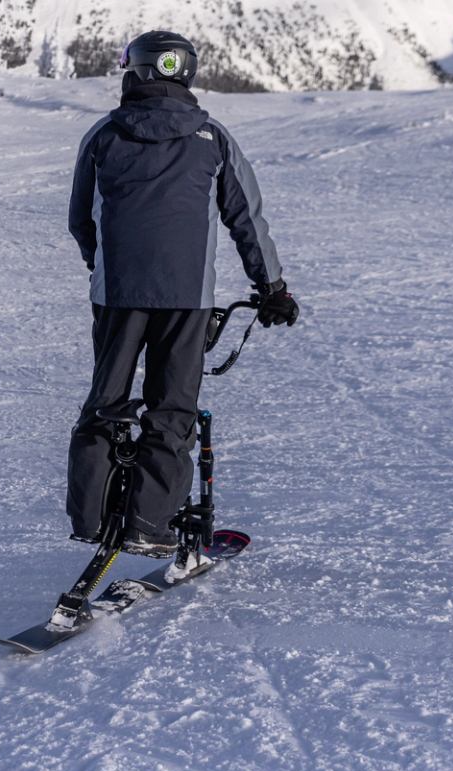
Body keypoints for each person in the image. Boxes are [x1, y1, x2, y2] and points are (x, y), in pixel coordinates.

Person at [65, 30, 298, 555]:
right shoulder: (212, 138)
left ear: (138, 72)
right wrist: (273, 289)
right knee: (172, 410)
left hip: (117, 295)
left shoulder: (103, 136)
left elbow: (81, 219)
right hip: (186, 298)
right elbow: (247, 221)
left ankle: (89, 517)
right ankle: (149, 524)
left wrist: (102, 267)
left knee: (106, 403)